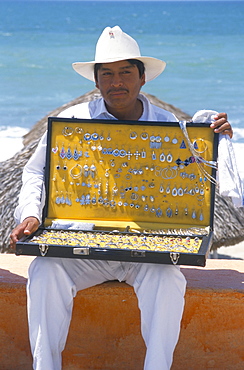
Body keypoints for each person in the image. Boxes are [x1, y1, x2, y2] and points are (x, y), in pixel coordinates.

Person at [10, 26, 233, 370]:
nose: (117, 82)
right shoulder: (71, 122)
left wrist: (215, 138)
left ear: (142, 78)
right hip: (82, 245)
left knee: (169, 278)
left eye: (126, 72)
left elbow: (195, 172)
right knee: (44, 269)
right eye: (107, 74)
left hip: (145, 248)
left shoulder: (169, 125)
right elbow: (35, 172)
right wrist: (30, 215)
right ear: (96, 82)